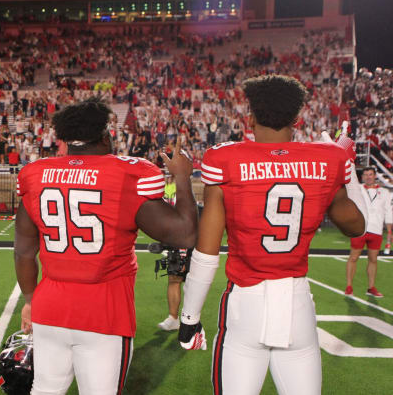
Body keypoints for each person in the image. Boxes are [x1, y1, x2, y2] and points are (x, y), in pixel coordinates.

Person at [178, 75, 366, 395]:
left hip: (245, 307)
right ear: (297, 119)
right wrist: (345, 167)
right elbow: (358, 226)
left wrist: (189, 318)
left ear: (249, 116)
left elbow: (207, 253)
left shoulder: (226, 158)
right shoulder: (326, 160)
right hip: (298, 308)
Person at [15, 98, 198, 395]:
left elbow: (24, 251)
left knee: (45, 390)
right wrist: (182, 178)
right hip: (104, 311)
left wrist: (29, 299)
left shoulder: (36, 174)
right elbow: (185, 235)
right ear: (105, 135)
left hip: (49, 308)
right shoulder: (126, 173)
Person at [345, 166, 391, 297]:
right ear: (362, 177)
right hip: (360, 229)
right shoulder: (357, 189)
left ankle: (371, 287)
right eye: (366, 175)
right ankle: (349, 286)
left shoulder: (385, 192)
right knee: (353, 257)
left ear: (375, 176)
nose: (368, 177)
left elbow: (388, 212)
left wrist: (389, 231)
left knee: (373, 259)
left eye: (371, 174)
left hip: (376, 230)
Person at [158, 173, 184, 331]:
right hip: (175, 238)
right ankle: (174, 317)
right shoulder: (167, 189)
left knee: (192, 283)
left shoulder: (183, 189)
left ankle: (191, 319)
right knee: (174, 279)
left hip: (188, 236)